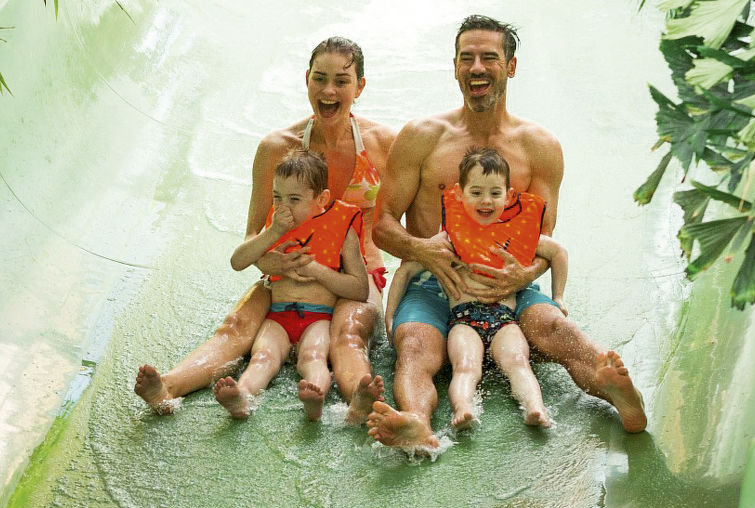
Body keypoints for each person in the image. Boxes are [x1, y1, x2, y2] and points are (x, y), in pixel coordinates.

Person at [364, 14, 647, 454]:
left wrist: (522, 277)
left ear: (510, 67)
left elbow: (543, 237)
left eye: (489, 58)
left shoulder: (539, 146)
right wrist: (424, 250)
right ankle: (416, 422)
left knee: (556, 330)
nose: (477, 67)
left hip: (507, 281)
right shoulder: (421, 137)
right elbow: (380, 224)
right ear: (455, 67)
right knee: (416, 347)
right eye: (467, 58)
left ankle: (617, 393)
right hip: (432, 281)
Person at [135, 37, 395, 419]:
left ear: (360, 86)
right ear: (306, 79)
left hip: (358, 273)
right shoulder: (277, 148)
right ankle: (168, 387)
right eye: (319, 78)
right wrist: (272, 262)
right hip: (287, 270)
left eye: (341, 81)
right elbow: (253, 235)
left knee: (350, 332)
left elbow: (392, 226)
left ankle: (359, 393)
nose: (328, 90)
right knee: (235, 326)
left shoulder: (382, 145)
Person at [399, 146, 568, 431]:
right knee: (466, 366)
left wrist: (558, 296)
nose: (485, 201)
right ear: (460, 193)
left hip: (505, 320)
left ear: (509, 195)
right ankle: (463, 409)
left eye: (494, 193)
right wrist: (391, 316)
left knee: (517, 362)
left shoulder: (517, 237)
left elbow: (559, 253)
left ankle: (536, 409)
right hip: (463, 320)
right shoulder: (450, 238)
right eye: (476, 193)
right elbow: (407, 269)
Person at [212, 150, 370, 420]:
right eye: (277, 197)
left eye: (294, 199)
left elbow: (360, 289)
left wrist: (315, 269)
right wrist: (273, 232)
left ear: (320, 199)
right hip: (278, 315)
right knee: (263, 356)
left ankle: (315, 396)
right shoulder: (277, 226)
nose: (284, 206)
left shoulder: (342, 230)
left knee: (313, 357)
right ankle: (242, 395)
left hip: (318, 318)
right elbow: (237, 262)